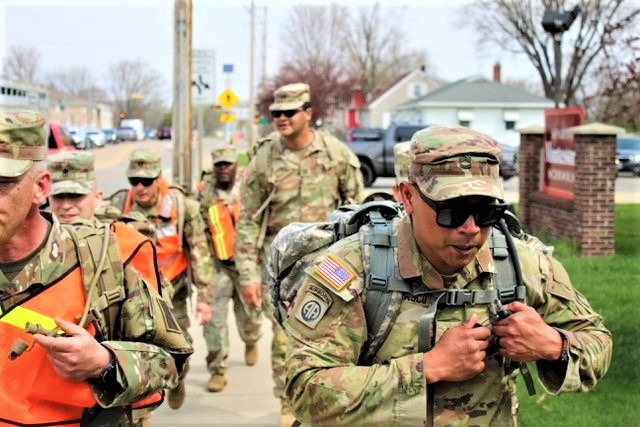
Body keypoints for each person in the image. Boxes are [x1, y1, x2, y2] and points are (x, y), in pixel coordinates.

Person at [283, 125, 612, 426]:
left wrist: (553, 345)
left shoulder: (521, 264)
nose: (470, 228)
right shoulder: (354, 269)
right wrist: (428, 368)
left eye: (486, 212)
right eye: (451, 211)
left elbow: (598, 341)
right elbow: (304, 387)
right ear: (408, 197)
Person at [0, 111, 193, 425]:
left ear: (40, 187)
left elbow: (172, 360)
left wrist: (104, 363)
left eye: (1, 182)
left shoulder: (104, 262)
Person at [234, 82, 365, 425]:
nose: (281, 119)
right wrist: (247, 275)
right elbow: (248, 219)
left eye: (289, 112)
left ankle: (333, 403)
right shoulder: (263, 159)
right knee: (284, 342)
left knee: (337, 339)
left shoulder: (338, 157)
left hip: (334, 268)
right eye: (276, 113)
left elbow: (361, 215)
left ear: (308, 113)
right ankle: (289, 406)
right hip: (283, 271)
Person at [107, 149, 214, 410]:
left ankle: (178, 380)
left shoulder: (181, 206)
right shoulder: (118, 205)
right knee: (135, 351)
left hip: (172, 292)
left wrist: (205, 298)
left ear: (158, 178)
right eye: (134, 181)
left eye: (147, 180)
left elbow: (200, 251)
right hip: (132, 294)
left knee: (179, 348)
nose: (140, 187)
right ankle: (142, 407)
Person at [197, 145, 262, 392]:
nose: (223, 169)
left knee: (252, 316)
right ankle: (217, 369)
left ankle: (251, 339)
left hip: (247, 265)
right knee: (213, 321)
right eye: (219, 165)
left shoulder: (248, 189)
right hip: (218, 266)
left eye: (228, 164)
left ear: (236, 165)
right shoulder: (204, 193)